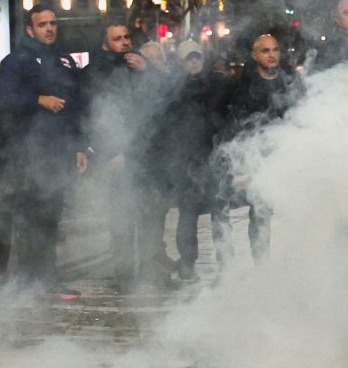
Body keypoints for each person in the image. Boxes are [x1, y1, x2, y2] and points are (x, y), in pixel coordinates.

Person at [0, 6, 90, 286]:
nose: (49, 28)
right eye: (42, 24)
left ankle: (47, 275)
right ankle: (30, 278)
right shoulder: (17, 61)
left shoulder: (65, 60)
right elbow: (1, 101)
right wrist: (38, 100)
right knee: (31, 217)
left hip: (59, 150)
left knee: (52, 216)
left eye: (53, 23)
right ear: (30, 29)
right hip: (28, 152)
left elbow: (77, 106)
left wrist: (80, 145)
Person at [85, 22, 168, 287]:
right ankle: (124, 274)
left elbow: (162, 101)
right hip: (115, 157)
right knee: (121, 218)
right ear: (105, 44)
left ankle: (150, 271)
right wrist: (109, 152)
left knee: (149, 217)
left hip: (145, 155)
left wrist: (148, 70)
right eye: (117, 38)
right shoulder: (95, 71)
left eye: (126, 37)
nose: (124, 42)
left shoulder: (140, 67)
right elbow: (92, 116)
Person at [221, 32, 300, 265]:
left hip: (285, 154)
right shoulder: (243, 87)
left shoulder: (288, 81)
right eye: (265, 51)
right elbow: (236, 126)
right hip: (256, 158)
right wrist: (240, 167)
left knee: (291, 211)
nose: (272, 55)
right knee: (260, 213)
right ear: (255, 56)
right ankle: (261, 265)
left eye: (275, 49)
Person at [168, 41, 230, 281]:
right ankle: (187, 262)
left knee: (219, 215)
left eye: (197, 58)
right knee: (187, 216)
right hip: (186, 160)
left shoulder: (218, 84)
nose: (193, 62)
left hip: (213, 158)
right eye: (188, 59)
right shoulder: (174, 89)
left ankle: (224, 262)